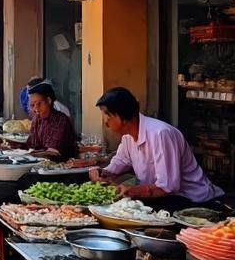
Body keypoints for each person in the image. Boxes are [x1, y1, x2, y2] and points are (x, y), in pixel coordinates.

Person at [90, 87, 224, 209]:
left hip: (192, 199)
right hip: (166, 198)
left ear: (124, 118)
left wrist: (130, 191)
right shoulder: (128, 137)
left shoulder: (160, 134)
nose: (105, 121)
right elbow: (119, 163)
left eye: (108, 115)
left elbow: (168, 186)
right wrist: (103, 173)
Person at [22, 80, 78, 160]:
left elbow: (52, 153)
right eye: (32, 105)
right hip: (40, 162)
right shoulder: (36, 119)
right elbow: (32, 145)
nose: (35, 108)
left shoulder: (61, 121)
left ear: (49, 100)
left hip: (62, 165)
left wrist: (30, 153)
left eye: (39, 104)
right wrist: (15, 147)